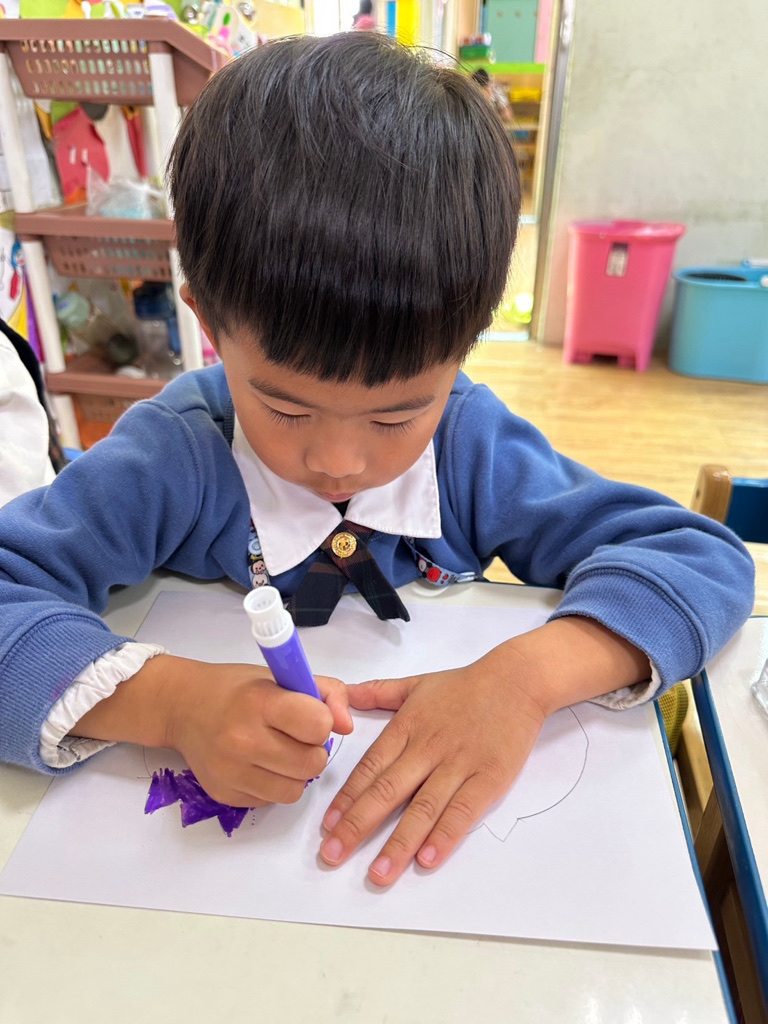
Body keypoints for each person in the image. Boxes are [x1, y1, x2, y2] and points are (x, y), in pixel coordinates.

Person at [0, 34, 753, 888]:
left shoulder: (473, 448)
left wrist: (524, 680)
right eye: (286, 407)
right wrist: (167, 702)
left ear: (464, 350)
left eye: (398, 414)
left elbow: (701, 558)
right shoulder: (172, 457)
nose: (339, 459)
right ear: (207, 323)